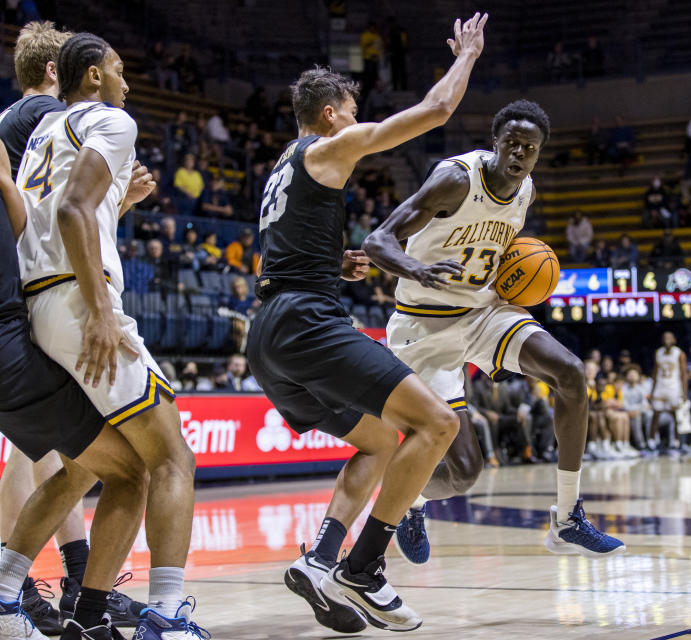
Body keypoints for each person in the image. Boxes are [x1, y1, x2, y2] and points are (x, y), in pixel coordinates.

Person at [246, 14, 499, 633]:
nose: (358, 120)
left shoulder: (284, 164)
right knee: (438, 424)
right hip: (308, 323)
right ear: (331, 113)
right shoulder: (330, 146)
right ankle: (364, 569)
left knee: (381, 440)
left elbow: (275, 255)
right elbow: (435, 111)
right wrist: (466, 57)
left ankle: (321, 558)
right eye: (353, 109)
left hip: (270, 332)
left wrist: (336, 264)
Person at [363, 93, 625, 565]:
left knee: (570, 373)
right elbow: (377, 240)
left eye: (530, 147)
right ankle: (410, 501)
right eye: (512, 143)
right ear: (496, 143)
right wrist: (415, 269)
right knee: (463, 472)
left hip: (485, 311)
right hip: (425, 326)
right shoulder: (455, 180)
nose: (520, 154)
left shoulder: (526, 191)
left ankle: (567, 517)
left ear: (539, 153)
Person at [14, 33, 202, 638]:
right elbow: (71, 213)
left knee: (85, 468)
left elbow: (56, 219)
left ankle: (76, 613)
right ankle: (169, 617)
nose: (125, 82)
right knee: (171, 456)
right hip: (78, 304)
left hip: (40, 306)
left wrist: (120, 200)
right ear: (94, 75)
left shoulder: (46, 134)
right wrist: (99, 310)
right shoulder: (112, 120)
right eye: (119, 70)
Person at [649, 332, 687, 450]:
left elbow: (683, 374)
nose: (667, 340)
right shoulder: (658, 352)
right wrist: (652, 390)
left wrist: (684, 392)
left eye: (669, 337)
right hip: (661, 385)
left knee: (676, 414)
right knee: (656, 413)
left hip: (674, 386)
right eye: (665, 337)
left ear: (674, 340)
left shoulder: (679, 353)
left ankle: (675, 440)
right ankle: (652, 439)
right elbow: (655, 372)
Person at [621, 365, 651, 450]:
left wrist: (638, 410)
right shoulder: (623, 389)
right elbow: (624, 405)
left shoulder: (641, 388)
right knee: (636, 417)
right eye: (630, 374)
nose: (632, 376)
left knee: (649, 415)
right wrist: (635, 410)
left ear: (638, 376)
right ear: (626, 377)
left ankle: (651, 442)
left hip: (639, 412)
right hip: (628, 414)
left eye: (634, 374)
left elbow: (645, 405)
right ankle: (640, 445)